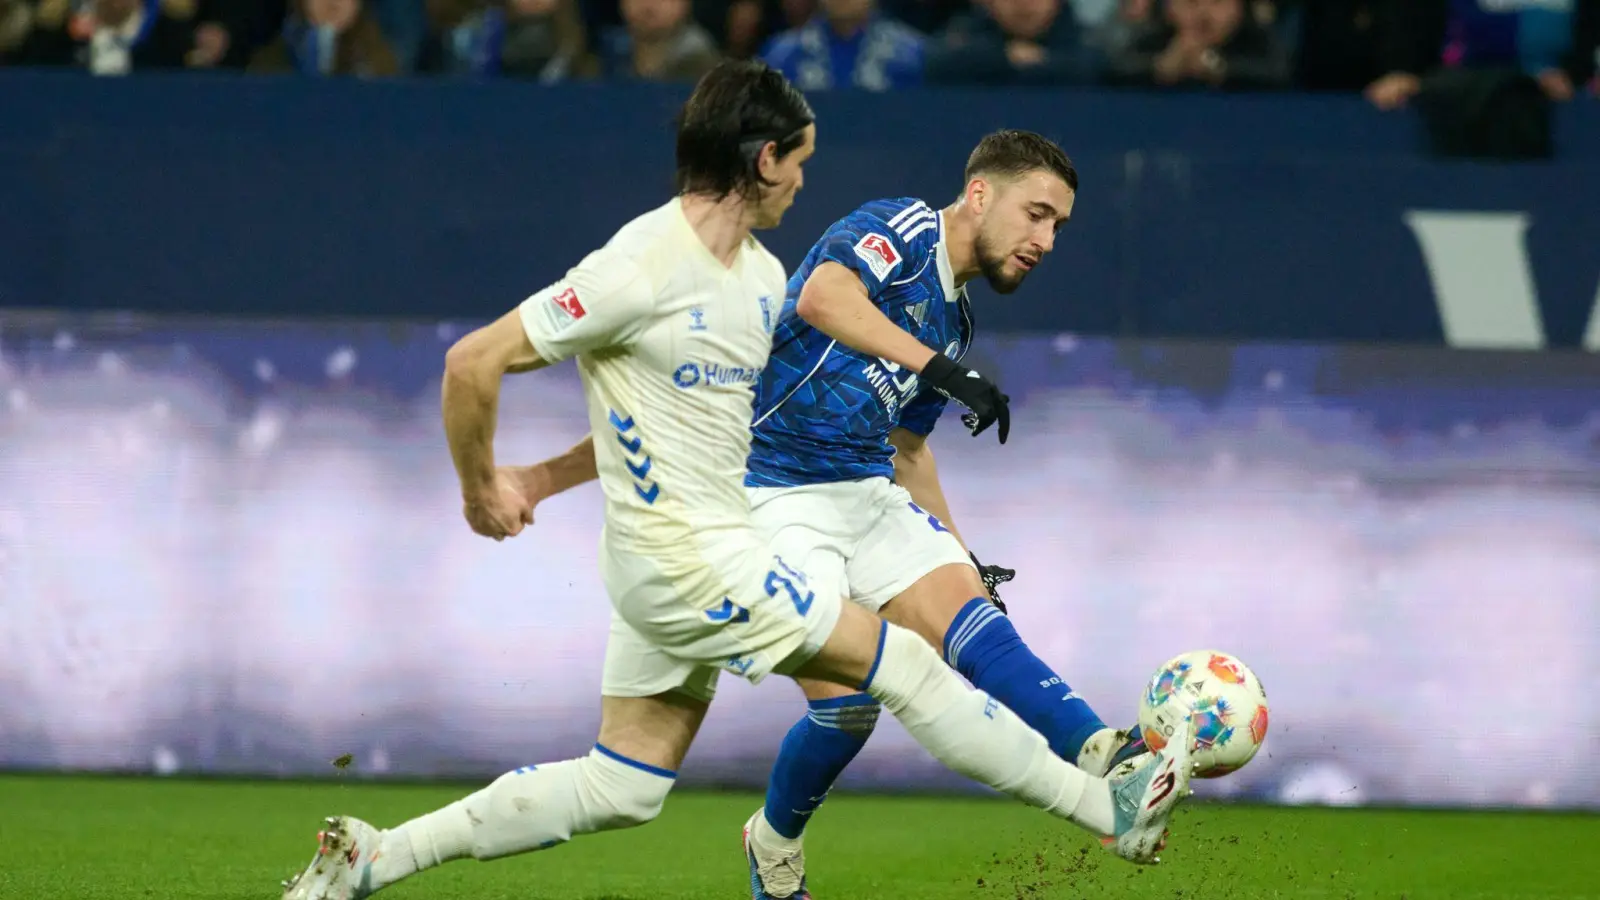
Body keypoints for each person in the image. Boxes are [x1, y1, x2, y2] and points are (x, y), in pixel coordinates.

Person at [279, 61, 1194, 900]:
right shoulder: (641, 266)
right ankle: (1101, 807)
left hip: (680, 555)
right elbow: (471, 364)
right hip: (702, 559)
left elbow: (672, 416)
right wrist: (481, 487)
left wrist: (540, 481)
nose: (803, 183)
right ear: (763, 159)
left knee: (623, 783)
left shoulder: (755, 278)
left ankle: (374, 856)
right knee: (903, 667)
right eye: (797, 162)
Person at [738, 130, 1154, 899]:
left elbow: (906, 450)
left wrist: (966, 558)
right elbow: (821, 298)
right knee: (849, 711)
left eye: (1058, 227)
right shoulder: (900, 229)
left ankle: (1106, 755)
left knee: (974, 620)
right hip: (768, 492)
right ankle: (771, 842)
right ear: (980, 194)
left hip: (864, 490)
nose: (1046, 241)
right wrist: (942, 369)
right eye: (1036, 215)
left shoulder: (956, 321)